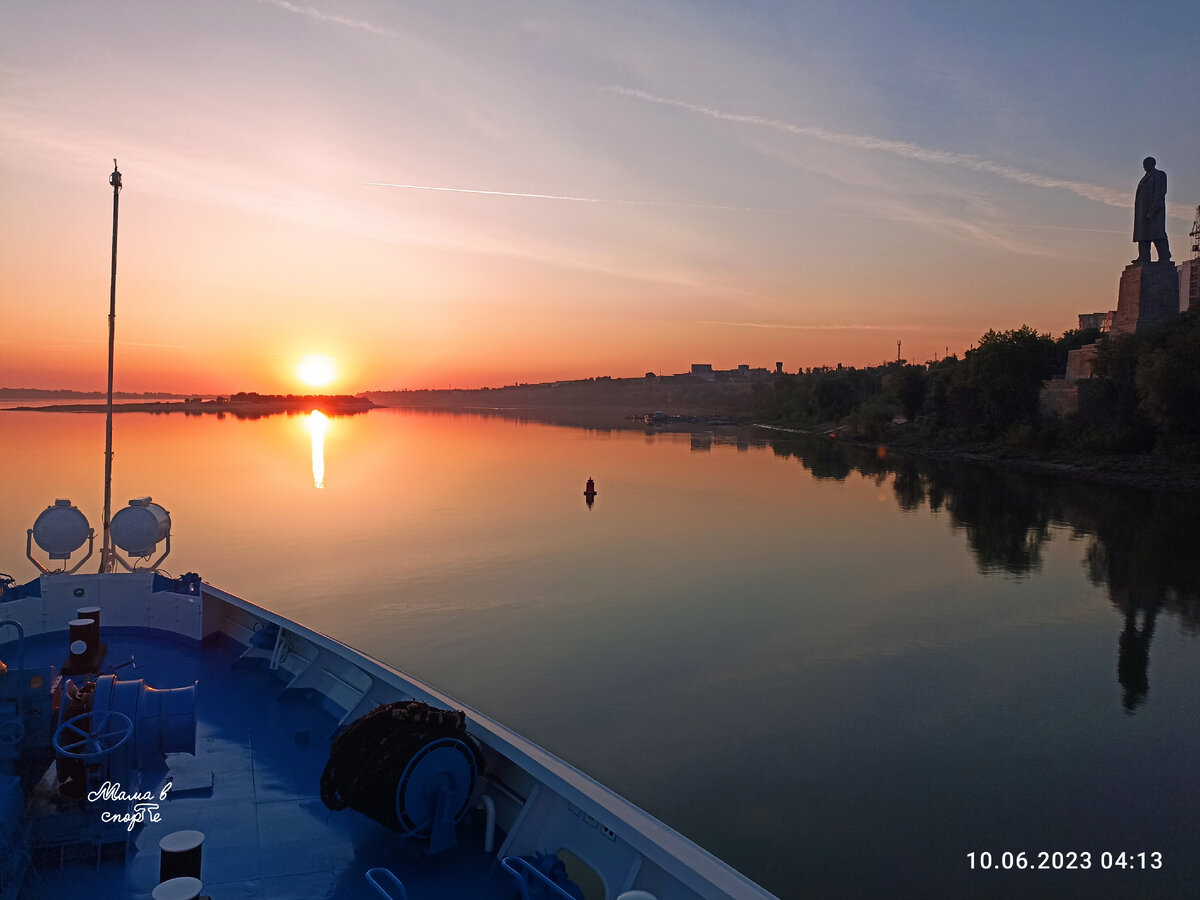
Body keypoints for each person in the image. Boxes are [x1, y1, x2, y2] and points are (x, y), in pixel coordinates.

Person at [1133, 157, 1170, 264]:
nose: (1144, 166)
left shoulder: (1159, 175)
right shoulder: (1145, 178)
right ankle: (1143, 256)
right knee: (1143, 236)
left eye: (1146, 163)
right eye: (1143, 163)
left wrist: (1153, 209)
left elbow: (1160, 192)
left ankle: (1164, 256)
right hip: (1142, 212)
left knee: (1157, 234)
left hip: (1154, 211)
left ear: (1152, 163)